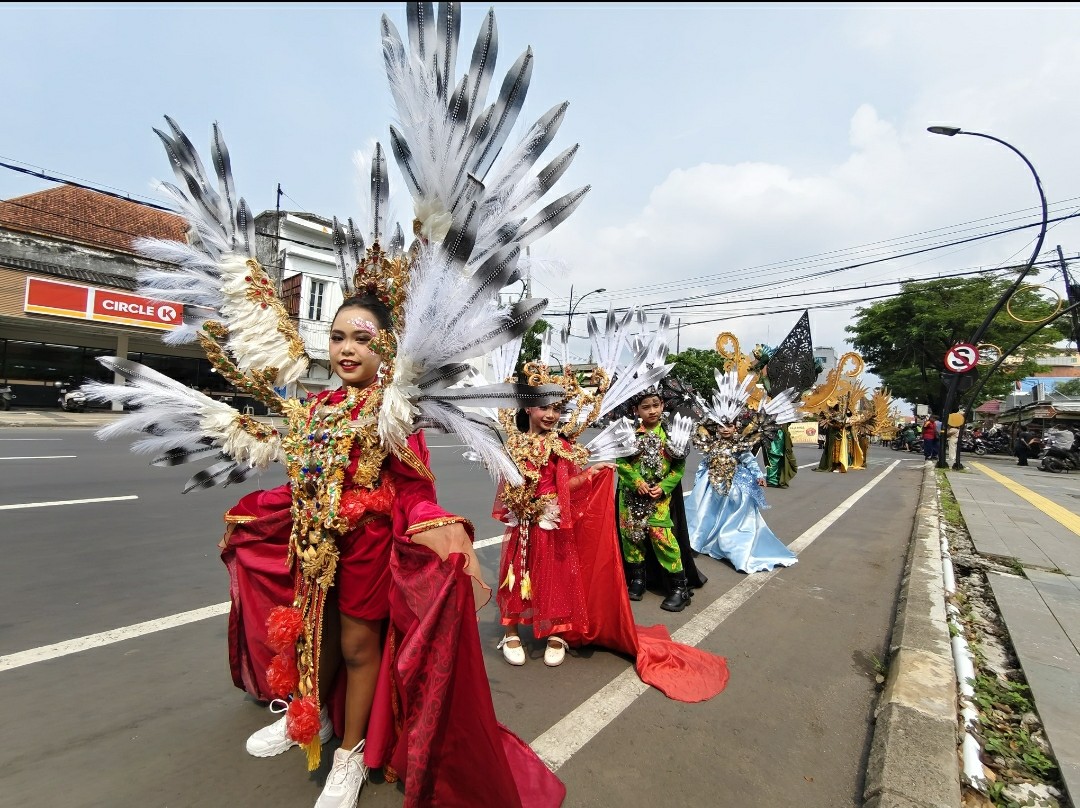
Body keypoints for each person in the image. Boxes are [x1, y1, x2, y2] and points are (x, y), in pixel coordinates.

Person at [225, 296, 565, 808]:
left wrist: (436, 526)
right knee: (314, 637)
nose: (346, 349)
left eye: (362, 339)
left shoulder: (394, 411)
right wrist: (252, 514)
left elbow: (413, 490)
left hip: (365, 551)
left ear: (386, 348)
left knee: (358, 651)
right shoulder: (318, 408)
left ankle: (352, 756)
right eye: (338, 337)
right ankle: (309, 718)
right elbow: (305, 483)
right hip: (314, 545)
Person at [686, 370, 799, 574]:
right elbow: (705, 463)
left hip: (734, 485)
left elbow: (749, 460)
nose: (725, 429)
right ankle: (696, 541)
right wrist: (697, 479)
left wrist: (758, 476)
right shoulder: (711, 443)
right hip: (710, 484)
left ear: (736, 426)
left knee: (733, 516)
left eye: (728, 425)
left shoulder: (741, 444)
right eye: (721, 426)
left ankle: (732, 546)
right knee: (704, 513)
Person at [615, 391, 693, 612]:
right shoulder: (629, 433)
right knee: (631, 536)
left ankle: (680, 588)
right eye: (646, 407)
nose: (652, 411)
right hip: (630, 496)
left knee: (662, 537)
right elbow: (621, 461)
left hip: (659, 496)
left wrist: (665, 486)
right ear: (636, 410)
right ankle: (638, 580)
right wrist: (636, 481)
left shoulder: (671, 433)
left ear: (663, 405)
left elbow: (678, 467)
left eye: (656, 405)